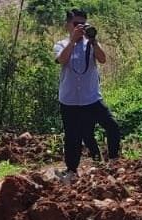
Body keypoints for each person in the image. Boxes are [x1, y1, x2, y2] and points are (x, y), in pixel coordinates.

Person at [54, 8, 121, 181]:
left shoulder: (90, 44)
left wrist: (93, 41)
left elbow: (103, 59)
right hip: (70, 99)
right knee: (72, 136)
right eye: (76, 24)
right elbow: (62, 60)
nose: (80, 27)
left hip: (91, 98)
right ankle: (71, 170)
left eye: (83, 24)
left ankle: (113, 161)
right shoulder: (61, 44)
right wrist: (73, 41)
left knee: (112, 126)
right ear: (68, 25)